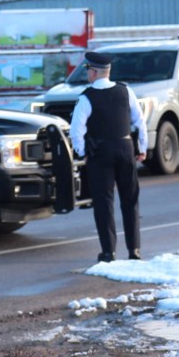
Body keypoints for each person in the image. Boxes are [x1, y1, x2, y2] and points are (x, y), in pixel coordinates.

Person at [70, 51, 148, 263]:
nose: (88, 74)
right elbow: (140, 121)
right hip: (125, 148)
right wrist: (142, 148)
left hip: (101, 153)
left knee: (104, 202)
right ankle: (135, 250)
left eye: (88, 71)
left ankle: (109, 252)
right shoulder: (126, 92)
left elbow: (76, 130)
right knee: (130, 201)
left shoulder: (86, 97)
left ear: (94, 72)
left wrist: (82, 152)